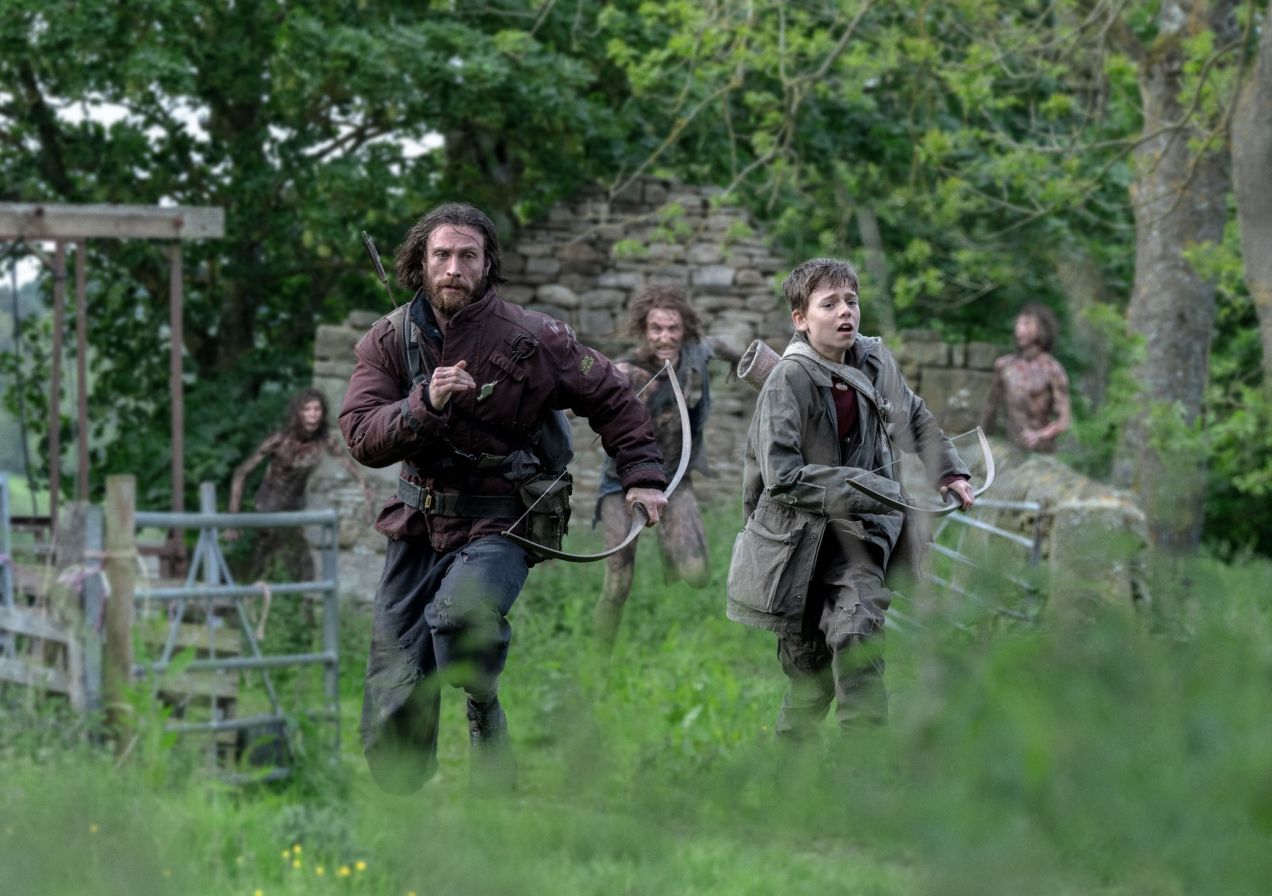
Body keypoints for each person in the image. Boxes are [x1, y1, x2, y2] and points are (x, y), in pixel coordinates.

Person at [339, 203, 667, 797]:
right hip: (417, 524)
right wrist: (423, 404)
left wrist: (642, 474)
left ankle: (483, 705)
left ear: (487, 264)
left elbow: (613, 395)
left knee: (459, 615)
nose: (454, 268)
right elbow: (361, 435)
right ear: (421, 262)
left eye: (468, 256)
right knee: (394, 703)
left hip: (502, 523)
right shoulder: (387, 339)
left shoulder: (535, 337)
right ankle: (411, 796)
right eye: (442, 255)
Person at [727, 258, 974, 740]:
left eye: (851, 301)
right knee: (809, 677)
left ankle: (863, 768)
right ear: (801, 318)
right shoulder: (786, 380)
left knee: (858, 631)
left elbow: (913, 418)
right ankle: (791, 765)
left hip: (860, 535)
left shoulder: (874, 360)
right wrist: (874, 488)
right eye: (830, 304)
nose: (846, 312)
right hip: (794, 542)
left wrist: (949, 471)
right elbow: (782, 477)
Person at [592, 285, 741, 651]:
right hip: (622, 485)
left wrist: (739, 364)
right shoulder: (624, 372)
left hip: (675, 480)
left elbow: (721, 346)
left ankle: (667, 538)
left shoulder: (695, 353)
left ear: (685, 329)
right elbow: (574, 400)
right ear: (643, 330)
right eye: (656, 328)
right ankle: (599, 660)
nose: (665, 337)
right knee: (618, 584)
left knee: (697, 573)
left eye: (673, 328)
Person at [227, 388, 376, 583]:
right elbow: (241, 472)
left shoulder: (324, 442)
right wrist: (233, 515)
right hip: (269, 507)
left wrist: (368, 502)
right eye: (307, 409)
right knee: (265, 564)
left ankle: (297, 600)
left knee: (303, 571)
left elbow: (355, 471)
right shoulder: (281, 440)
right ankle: (251, 594)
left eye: (317, 409)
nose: (313, 414)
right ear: (298, 413)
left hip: (294, 510)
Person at [979, 303, 1072, 453]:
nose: (1019, 329)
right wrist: (982, 443)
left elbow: (1064, 421)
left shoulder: (1053, 370)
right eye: (1018, 324)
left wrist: (1040, 435)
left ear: (1042, 329)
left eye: (1027, 323)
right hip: (1011, 449)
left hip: (1041, 452)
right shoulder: (1004, 366)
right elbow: (990, 409)